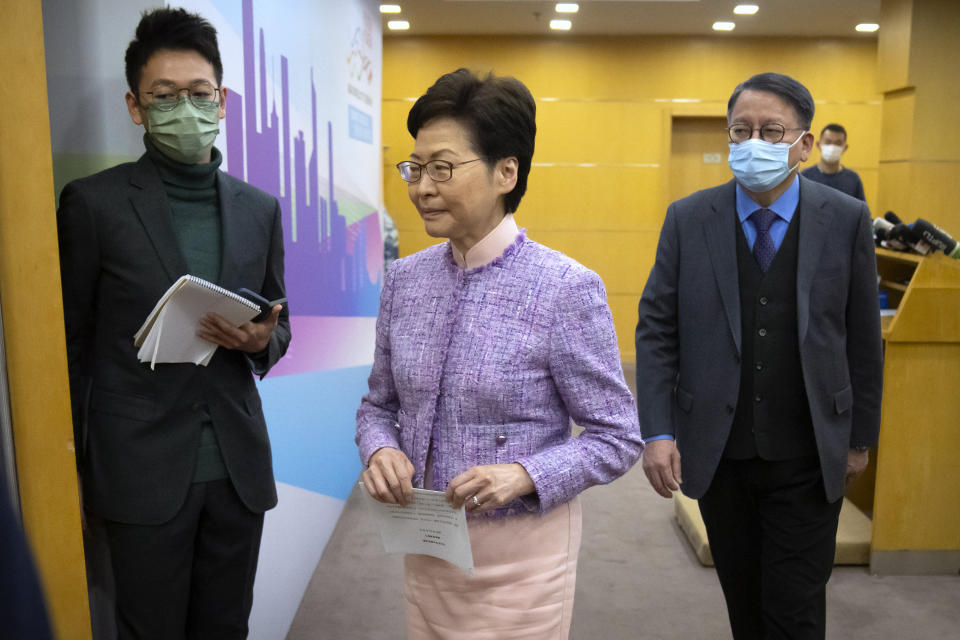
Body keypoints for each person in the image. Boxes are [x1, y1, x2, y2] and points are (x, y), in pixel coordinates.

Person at [356, 68, 643, 639]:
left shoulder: (564, 287)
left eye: (443, 168)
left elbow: (618, 435)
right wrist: (379, 449)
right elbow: (376, 406)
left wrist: (524, 474)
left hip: (523, 560)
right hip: (429, 544)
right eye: (415, 169)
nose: (421, 187)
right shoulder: (405, 281)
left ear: (506, 172)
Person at [56, 8, 290, 638]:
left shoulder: (258, 208)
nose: (184, 109)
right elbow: (71, 345)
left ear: (222, 101)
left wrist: (264, 339)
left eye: (199, 94)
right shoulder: (93, 204)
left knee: (225, 629)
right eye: (164, 96)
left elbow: (277, 314)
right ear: (136, 106)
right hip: (139, 469)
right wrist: (75, 465)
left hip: (236, 467)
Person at [635, 73, 883, 639]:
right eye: (741, 130)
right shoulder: (689, 218)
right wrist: (657, 433)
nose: (754, 143)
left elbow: (863, 338)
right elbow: (655, 330)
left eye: (771, 131)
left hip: (810, 453)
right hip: (721, 456)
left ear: (804, 143)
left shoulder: (844, 219)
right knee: (745, 608)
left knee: (793, 614)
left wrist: (861, 437)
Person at [801, 123, 866, 201]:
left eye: (838, 143)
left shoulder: (853, 179)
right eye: (828, 142)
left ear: (845, 148)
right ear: (818, 145)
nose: (832, 147)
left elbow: (860, 211)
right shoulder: (805, 177)